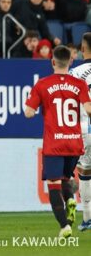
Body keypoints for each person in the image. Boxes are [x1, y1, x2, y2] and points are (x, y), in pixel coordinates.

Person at [25, 45, 91, 238]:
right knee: (66, 176)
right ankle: (71, 199)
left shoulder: (42, 84)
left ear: (53, 62)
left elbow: (28, 113)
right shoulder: (79, 84)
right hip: (75, 143)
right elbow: (88, 110)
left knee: (53, 183)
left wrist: (36, 106)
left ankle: (64, 226)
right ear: (70, 62)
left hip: (54, 143)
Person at [68, 32, 91, 231]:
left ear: (82, 49)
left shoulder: (75, 73)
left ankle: (87, 217)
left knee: (85, 172)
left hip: (84, 128)